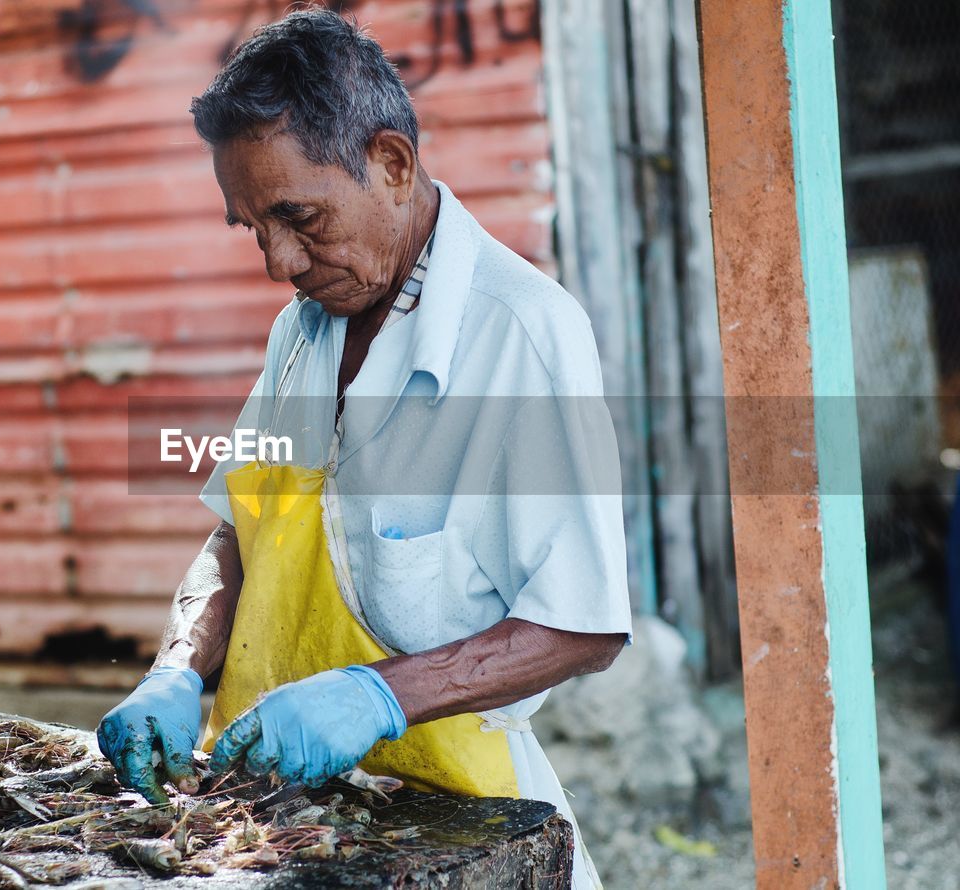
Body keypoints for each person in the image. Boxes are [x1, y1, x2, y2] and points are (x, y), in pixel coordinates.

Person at [97, 9, 632, 887]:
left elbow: (581, 624)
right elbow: (239, 529)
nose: (278, 261)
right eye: (252, 227)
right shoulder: (299, 335)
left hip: (461, 818)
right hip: (270, 817)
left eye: (298, 217)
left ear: (391, 164)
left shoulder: (521, 334)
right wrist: (175, 671)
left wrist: (379, 696)